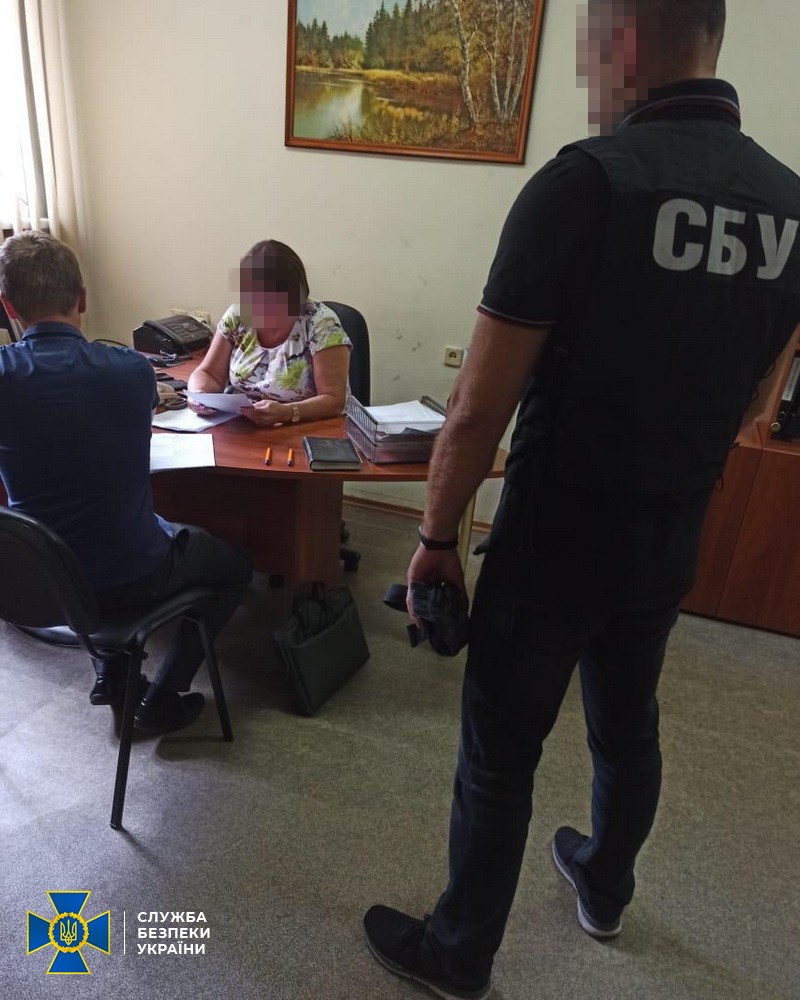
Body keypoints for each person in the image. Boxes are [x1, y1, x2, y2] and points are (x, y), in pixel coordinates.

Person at [363, 2, 800, 998]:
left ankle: (458, 954)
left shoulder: (585, 182)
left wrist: (436, 539)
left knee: (499, 753)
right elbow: (755, 407)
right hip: (670, 531)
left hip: (555, 535)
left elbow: (477, 409)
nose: (588, 72)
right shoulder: (788, 205)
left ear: (627, 43)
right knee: (626, 720)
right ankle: (603, 884)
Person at [0, 231, 252, 734]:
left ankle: (112, 670)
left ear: (8, 306)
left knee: (89, 523)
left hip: (41, 582)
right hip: (132, 576)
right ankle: (162, 697)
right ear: (83, 298)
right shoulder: (130, 372)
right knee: (234, 566)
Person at [187, 239, 351, 427]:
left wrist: (288, 412)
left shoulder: (321, 323)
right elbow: (209, 374)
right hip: (243, 428)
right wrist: (199, 395)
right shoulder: (238, 316)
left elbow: (333, 400)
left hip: (305, 428)